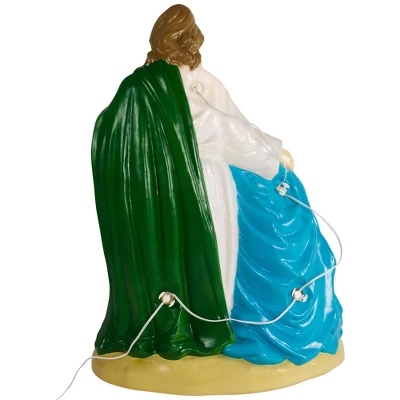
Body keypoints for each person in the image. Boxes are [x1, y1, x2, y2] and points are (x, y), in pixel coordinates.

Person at [92, 4, 342, 368]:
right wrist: (274, 158)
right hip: (200, 187)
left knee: (253, 227)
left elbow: (230, 123)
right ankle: (212, 318)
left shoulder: (158, 85)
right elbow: (224, 131)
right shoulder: (168, 86)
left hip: (166, 194)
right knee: (244, 231)